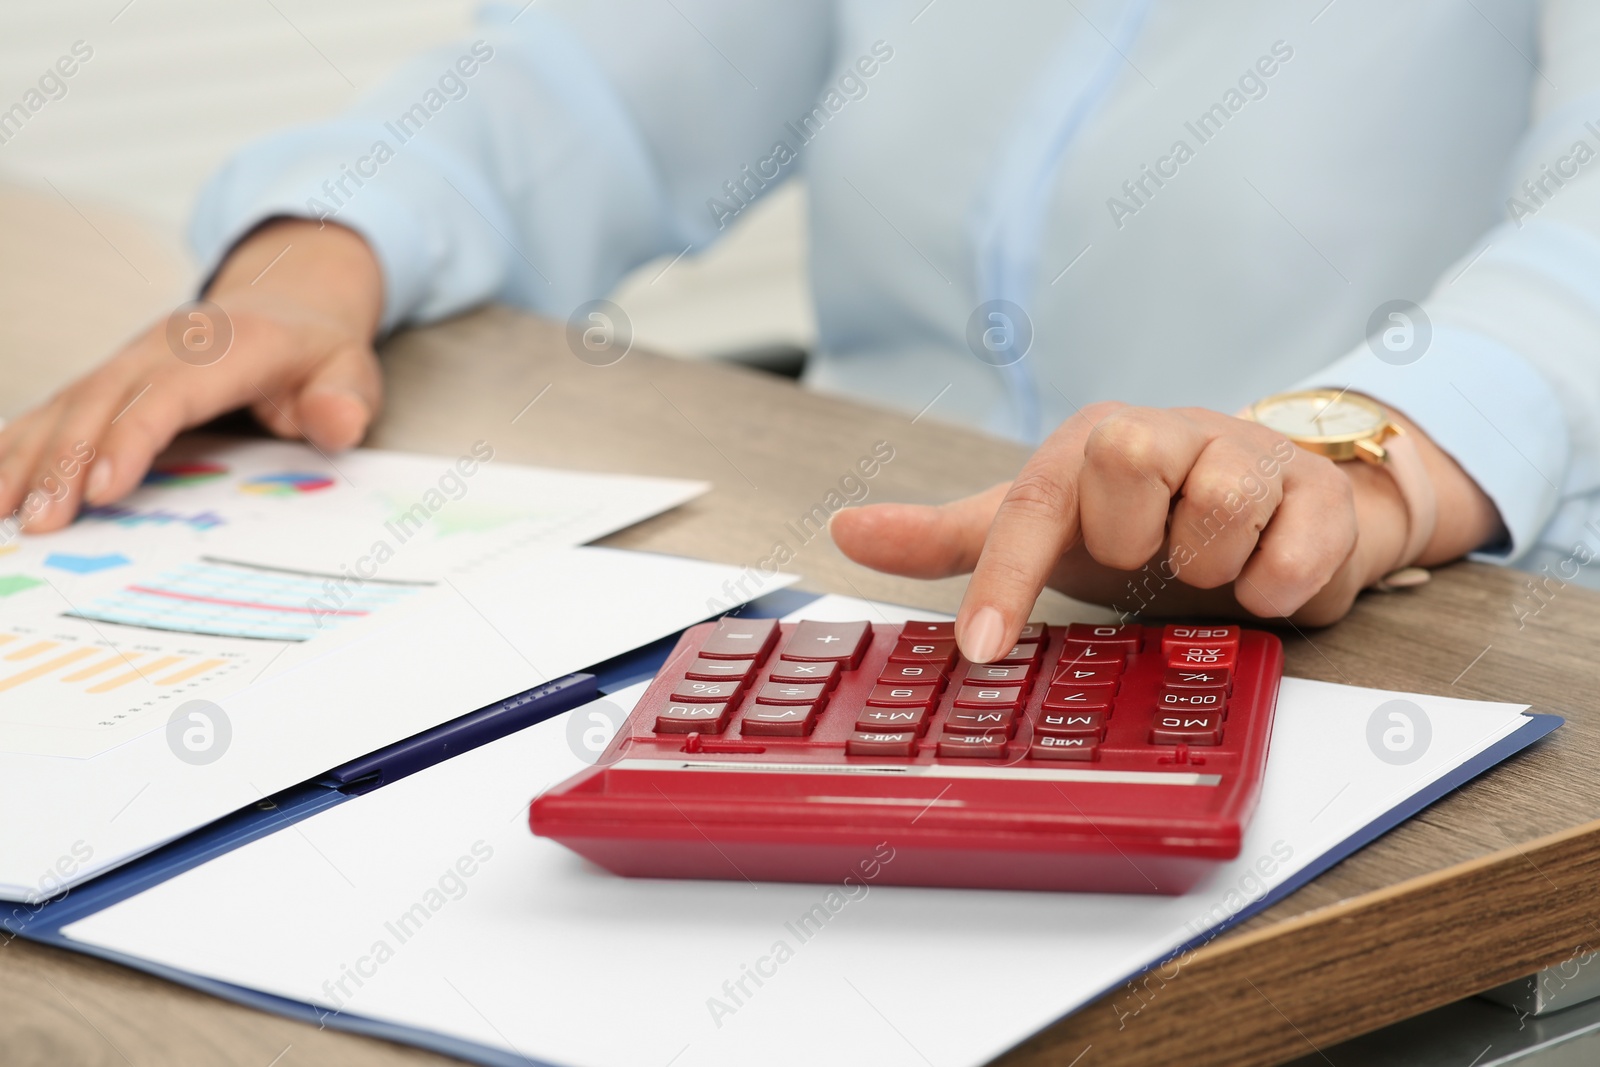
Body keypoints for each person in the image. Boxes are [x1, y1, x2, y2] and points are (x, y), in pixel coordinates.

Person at [1, 1, 1592, 663]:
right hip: (870, 598)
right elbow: (591, 77)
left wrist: (1353, 462)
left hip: (1398, 630)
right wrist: (317, 248)